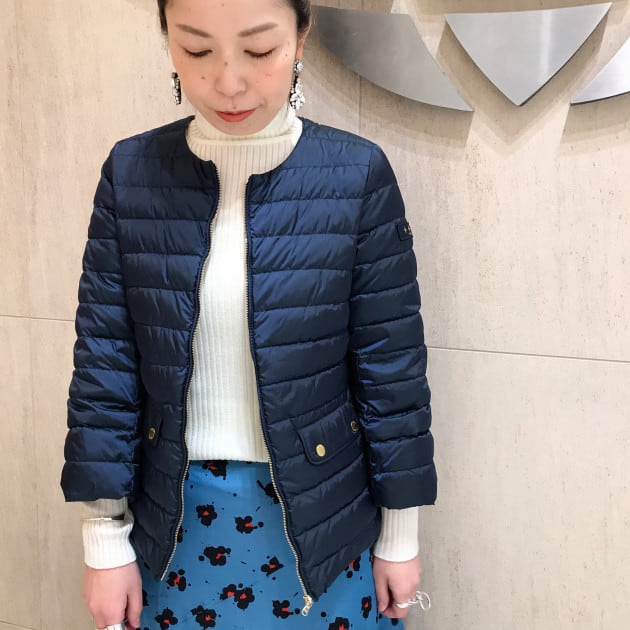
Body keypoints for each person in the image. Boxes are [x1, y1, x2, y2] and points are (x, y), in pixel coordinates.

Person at [60, 1, 437, 628]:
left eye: (259, 51)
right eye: (198, 51)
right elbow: (105, 371)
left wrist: (400, 536)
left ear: (301, 36)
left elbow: (391, 372)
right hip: (171, 523)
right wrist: (103, 538)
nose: (229, 83)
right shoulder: (131, 174)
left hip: (325, 523)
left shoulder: (357, 175)